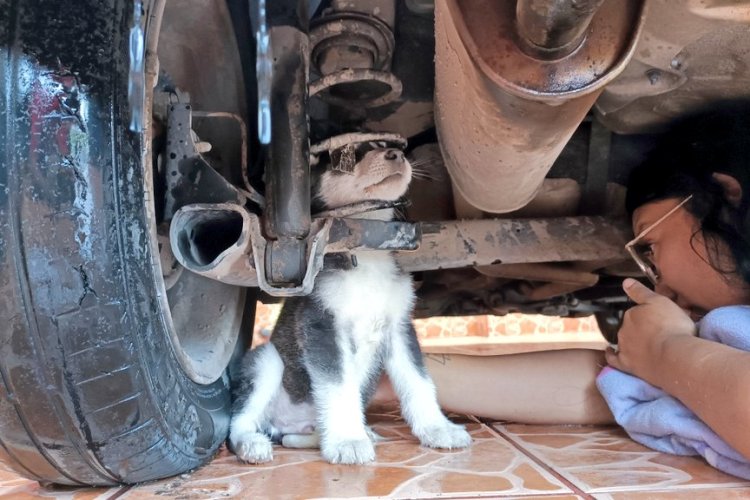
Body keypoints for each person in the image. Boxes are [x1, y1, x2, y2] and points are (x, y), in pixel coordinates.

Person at [374, 100, 750, 459]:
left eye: (649, 246)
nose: (660, 288)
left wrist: (667, 352)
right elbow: (612, 383)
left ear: (725, 196)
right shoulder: (707, 353)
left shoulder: (687, 355)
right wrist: (395, 375)